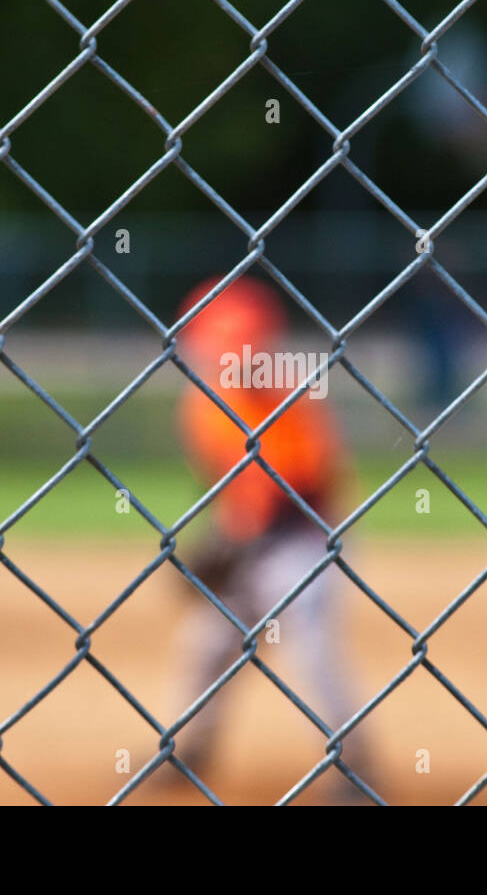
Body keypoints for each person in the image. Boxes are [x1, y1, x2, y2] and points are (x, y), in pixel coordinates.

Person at [170, 275, 367, 788]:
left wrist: (234, 538)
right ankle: (188, 750)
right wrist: (225, 535)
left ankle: (352, 762)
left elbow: (307, 487)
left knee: (311, 647)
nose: (236, 354)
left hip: (304, 540)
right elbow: (224, 485)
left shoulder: (292, 400)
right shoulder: (202, 405)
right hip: (247, 541)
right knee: (209, 644)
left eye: (245, 343)